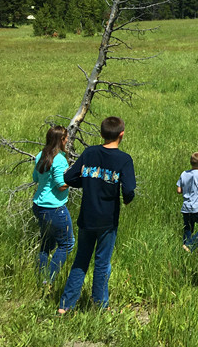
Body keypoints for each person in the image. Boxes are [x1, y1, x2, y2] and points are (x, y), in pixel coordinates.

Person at [57, 116, 136, 314]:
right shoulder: (124, 160)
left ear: (101, 134)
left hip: (87, 217)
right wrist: (126, 199)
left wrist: (88, 182)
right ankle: (100, 306)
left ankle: (65, 306)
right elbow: (129, 190)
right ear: (121, 134)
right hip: (107, 220)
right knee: (102, 263)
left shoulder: (90, 152)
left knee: (81, 261)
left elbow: (69, 177)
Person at [32, 125, 75, 283]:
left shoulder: (40, 155)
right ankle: (49, 280)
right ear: (61, 140)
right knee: (67, 244)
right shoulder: (59, 159)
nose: (68, 140)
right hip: (55, 208)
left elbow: (35, 178)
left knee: (46, 243)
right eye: (66, 138)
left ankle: (40, 277)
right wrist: (74, 178)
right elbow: (61, 184)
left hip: (39, 206)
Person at [177, 152, 198, 252]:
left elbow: (179, 190)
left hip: (186, 208)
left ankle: (185, 250)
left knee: (188, 230)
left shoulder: (184, 173)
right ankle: (191, 245)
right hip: (197, 207)